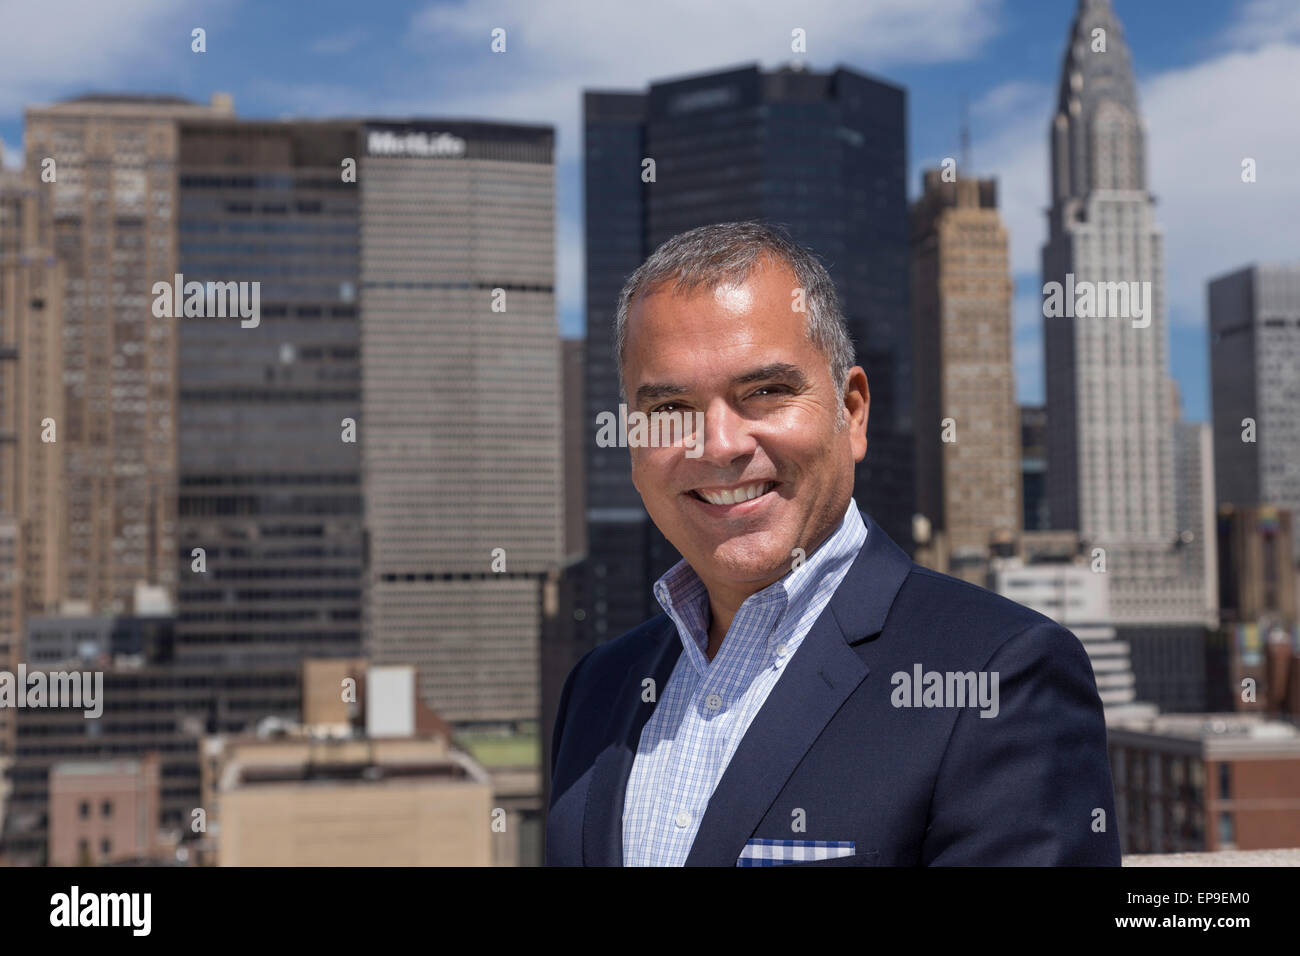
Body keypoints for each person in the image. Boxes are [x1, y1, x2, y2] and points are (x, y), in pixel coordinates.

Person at [546, 220, 1120, 866]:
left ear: (852, 411)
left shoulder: (999, 675)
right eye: (669, 408)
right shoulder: (597, 686)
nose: (720, 444)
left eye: (764, 392)